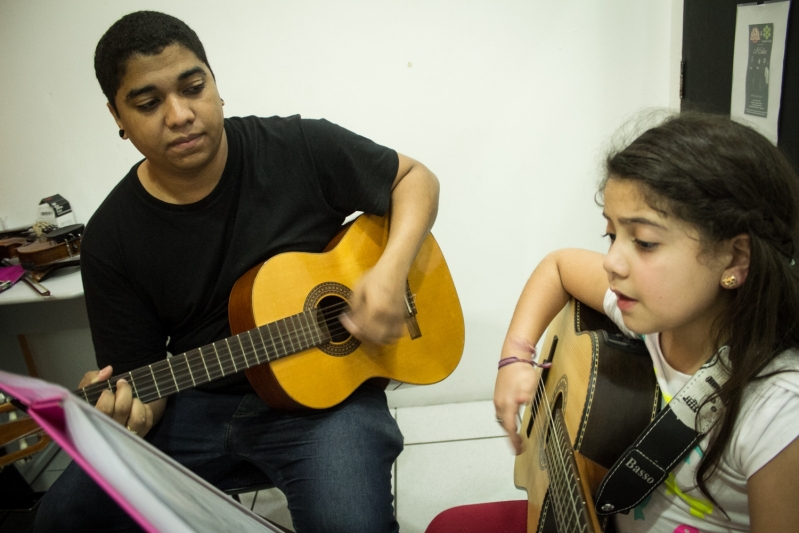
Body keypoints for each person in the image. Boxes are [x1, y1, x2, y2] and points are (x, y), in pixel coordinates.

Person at [34, 10, 440, 533]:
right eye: (148, 102)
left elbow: (415, 178)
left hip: (329, 403)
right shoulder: (111, 237)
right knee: (61, 518)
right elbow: (142, 389)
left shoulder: (298, 146)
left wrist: (390, 269)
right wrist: (126, 412)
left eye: (193, 86)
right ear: (117, 115)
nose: (180, 114)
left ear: (216, 85)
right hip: (198, 406)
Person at [493, 113, 799, 532]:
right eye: (611, 236)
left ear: (734, 259)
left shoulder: (778, 413)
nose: (613, 262)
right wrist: (515, 356)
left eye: (645, 242)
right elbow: (558, 266)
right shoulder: (649, 315)